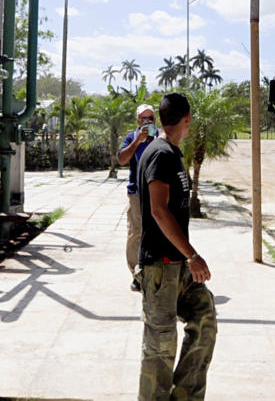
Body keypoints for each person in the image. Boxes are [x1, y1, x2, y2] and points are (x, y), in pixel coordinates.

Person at [136, 92, 216, 401]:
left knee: (204, 320)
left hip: (178, 266)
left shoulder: (171, 152)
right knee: (160, 347)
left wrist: (186, 260)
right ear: (187, 119)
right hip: (160, 266)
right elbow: (158, 210)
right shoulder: (160, 154)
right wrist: (192, 255)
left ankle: (185, 396)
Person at [118, 103, 157, 291]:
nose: (147, 122)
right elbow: (122, 159)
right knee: (136, 233)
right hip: (137, 193)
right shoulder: (131, 137)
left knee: (158, 232)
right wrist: (137, 142)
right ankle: (136, 275)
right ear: (138, 120)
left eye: (151, 118)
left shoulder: (160, 137)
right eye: (143, 118)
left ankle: (155, 273)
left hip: (157, 193)